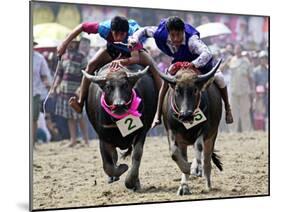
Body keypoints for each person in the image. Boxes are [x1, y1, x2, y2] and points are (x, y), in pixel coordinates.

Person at [129, 16, 234, 127]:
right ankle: (158, 114)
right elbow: (144, 30)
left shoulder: (192, 40)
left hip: (198, 61)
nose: (175, 39)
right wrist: (134, 38)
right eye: (172, 35)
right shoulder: (160, 32)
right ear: (168, 32)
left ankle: (227, 108)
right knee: (166, 80)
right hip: (179, 61)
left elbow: (207, 53)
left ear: (183, 31)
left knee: (220, 78)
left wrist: (194, 64)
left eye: (178, 35)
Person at [57, 16, 162, 114]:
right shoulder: (104, 29)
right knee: (91, 65)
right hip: (112, 49)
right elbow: (82, 27)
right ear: (111, 31)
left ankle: (161, 106)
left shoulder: (134, 35)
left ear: (127, 32)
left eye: (122, 34)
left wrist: (121, 61)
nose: (119, 38)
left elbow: (135, 58)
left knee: (153, 67)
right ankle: (80, 102)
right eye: (116, 34)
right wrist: (64, 44)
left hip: (133, 52)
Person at [51, 39, 89, 147]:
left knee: (79, 115)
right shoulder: (63, 57)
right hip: (65, 90)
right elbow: (59, 73)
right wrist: (55, 85)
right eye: (69, 43)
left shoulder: (82, 57)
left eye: (73, 43)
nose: (71, 45)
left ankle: (86, 140)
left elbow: (85, 74)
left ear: (76, 44)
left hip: (76, 91)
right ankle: (73, 140)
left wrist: (81, 88)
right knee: (69, 116)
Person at [228, 43, 253, 132]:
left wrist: (252, 91)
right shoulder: (231, 60)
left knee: (245, 112)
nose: (237, 51)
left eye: (239, 49)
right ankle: (233, 132)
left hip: (244, 91)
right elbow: (221, 69)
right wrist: (225, 61)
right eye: (236, 49)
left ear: (242, 51)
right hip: (233, 91)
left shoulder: (246, 61)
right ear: (234, 50)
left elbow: (251, 78)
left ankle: (247, 131)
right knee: (233, 112)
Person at [33, 41, 51, 147]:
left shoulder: (39, 58)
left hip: (35, 92)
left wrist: (48, 86)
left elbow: (44, 75)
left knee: (33, 118)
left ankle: (32, 143)